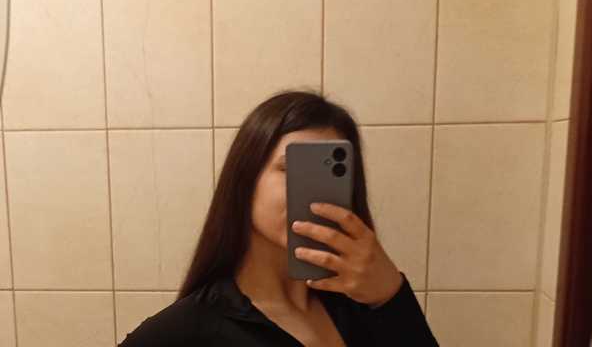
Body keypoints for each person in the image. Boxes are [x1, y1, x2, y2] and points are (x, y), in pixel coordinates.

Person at [119, 89, 439, 346]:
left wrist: (391, 294)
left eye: (329, 175)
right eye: (291, 168)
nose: (311, 191)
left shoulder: (364, 307)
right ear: (246, 180)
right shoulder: (193, 328)